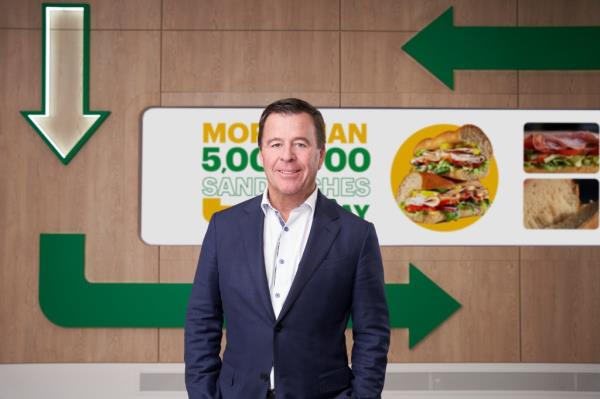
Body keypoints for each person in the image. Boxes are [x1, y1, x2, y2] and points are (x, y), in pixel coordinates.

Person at [185, 98, 390, 398]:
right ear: (261, 154)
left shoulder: (356, 235)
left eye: (300, 144)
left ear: (320, 156)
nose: (287, 156)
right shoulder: (223, 227)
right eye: (276, 144)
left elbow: (372, 333)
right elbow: (202, 321)